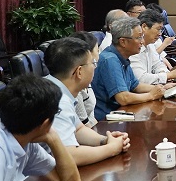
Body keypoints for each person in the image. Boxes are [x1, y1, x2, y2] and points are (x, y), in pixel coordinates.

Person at [43, 37, 130, 165]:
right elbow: (69, 156)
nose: (95, 67)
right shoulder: (57, 100)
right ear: (79, 71)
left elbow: (78, 129)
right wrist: (111, 149)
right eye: (93, 63)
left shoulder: (55, 86)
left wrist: (105, 140)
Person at [92, 17, 165, 120]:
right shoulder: (110, 60)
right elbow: (123, 98)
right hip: (107, 121)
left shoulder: (123, 57)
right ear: (123, 42)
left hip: (122, 115)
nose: (142, 41)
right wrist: (151, 95)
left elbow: (136, 86)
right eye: (139, 37)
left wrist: (162, 88)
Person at [131, 9, 176, 84]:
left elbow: (158, 65)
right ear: (144, 27)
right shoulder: (132, 48)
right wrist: (168, 75)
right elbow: (141, 79)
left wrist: (166, 74)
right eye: (158, 29)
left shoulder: (150, 45)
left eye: (161, 30)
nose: (160, 34)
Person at [71, 30, 99, 128]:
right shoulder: (75, 86)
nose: (99, 55)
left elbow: (91, 118)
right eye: (97, 50)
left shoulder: (86, 76)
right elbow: (84, 126)